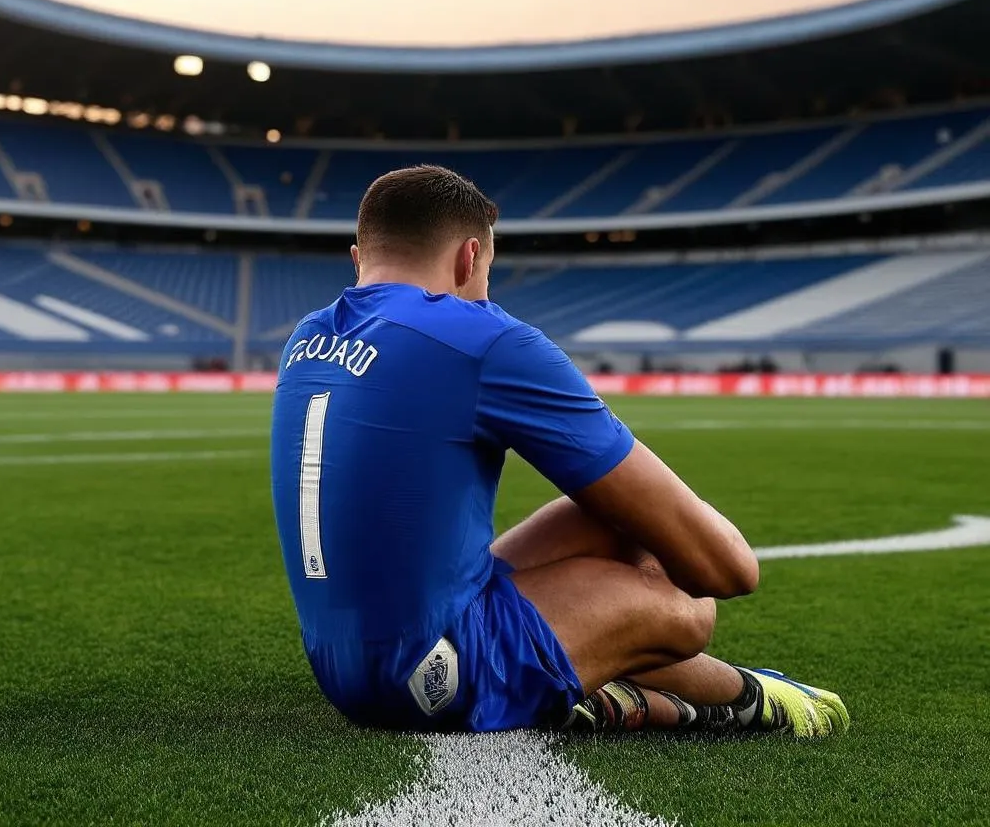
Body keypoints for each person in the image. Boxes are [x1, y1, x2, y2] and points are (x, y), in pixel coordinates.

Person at [270, 166, 848, 737]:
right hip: (431, 679)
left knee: (613, 523)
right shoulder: (481, 338)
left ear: (358, 258)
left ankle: (596, 685)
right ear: (470, 258)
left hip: (338, 666)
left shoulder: (306, 337)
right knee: (685, 608)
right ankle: (739, 698)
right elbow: (727, 570)